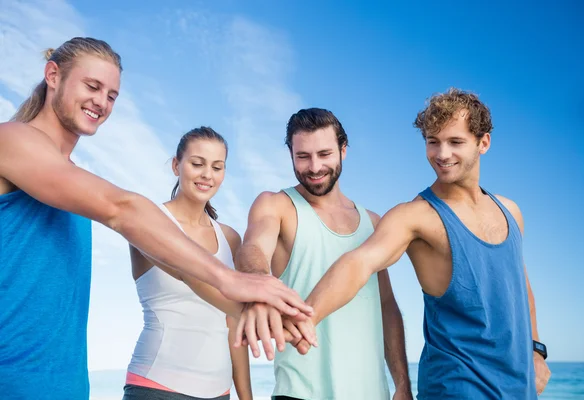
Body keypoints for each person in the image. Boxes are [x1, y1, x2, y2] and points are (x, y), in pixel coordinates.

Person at [0, 37, 310, 400]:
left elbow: (188, 276)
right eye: (92, 86)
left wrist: (267, 316)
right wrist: (229, 278)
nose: (101, 102)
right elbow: (122, 209)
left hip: (64, 386)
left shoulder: (67, 180)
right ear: (53, 75)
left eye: (112, 95)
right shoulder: (11, 140)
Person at [248, 89, 552, 398]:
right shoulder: (412, 217)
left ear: (483, 142)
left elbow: (519, 283)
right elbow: (358, 263)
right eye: (433, 142)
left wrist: (536, 349)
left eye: (455, 142)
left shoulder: (510, 211)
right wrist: (301, 320)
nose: (442, 154)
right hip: (456, 386)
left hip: (517, 385)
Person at [234, 108, 412, 400]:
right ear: (290, 154)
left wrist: (402, 384)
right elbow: (252, 248)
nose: (314, 167)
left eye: (325, 154)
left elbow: (387, 306)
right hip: (300, 392)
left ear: (343, 150)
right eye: (302, 156)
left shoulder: (374, 223)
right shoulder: (276, 205)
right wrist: (258, 287)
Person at [123, 127, 252, 400]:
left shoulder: (230, 238)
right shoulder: (149, 219)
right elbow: (190, 275)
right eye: (197, 164)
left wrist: (246, 397)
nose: (207, 174)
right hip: (157, 387)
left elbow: (234, 324)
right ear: (175, 165)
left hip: (219, 392)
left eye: (217, 167)